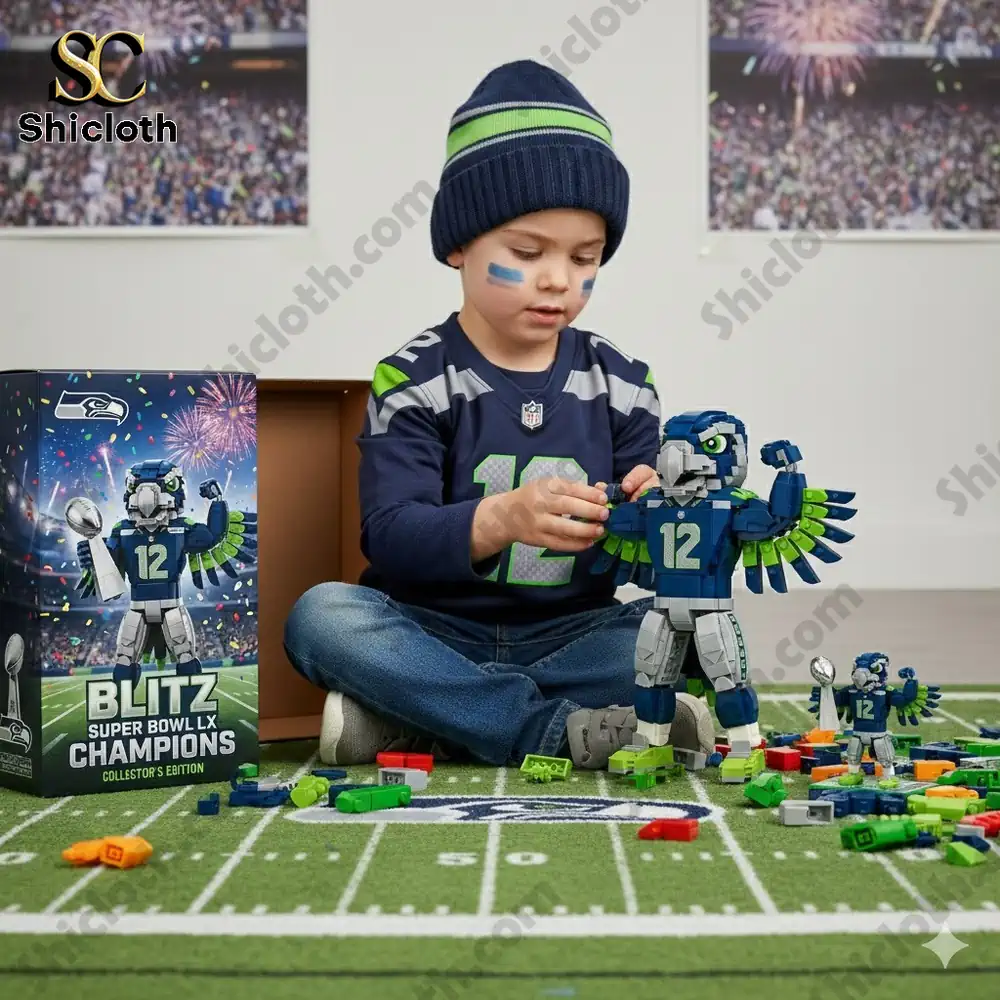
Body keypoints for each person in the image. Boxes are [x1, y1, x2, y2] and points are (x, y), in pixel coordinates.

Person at [284, 59, 708, 768]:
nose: (558, 281)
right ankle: (544, 729)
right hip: (429, 632)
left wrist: (656, 514)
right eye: (527, 251)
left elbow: (655, 560)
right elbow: (388, 536)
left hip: (575, 636)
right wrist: (500, 519)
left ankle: (420, 718)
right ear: (458, 244)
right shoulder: (413, 377)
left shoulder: (625, 383)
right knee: (321, 618)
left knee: (694, 630)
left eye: (585, 258)